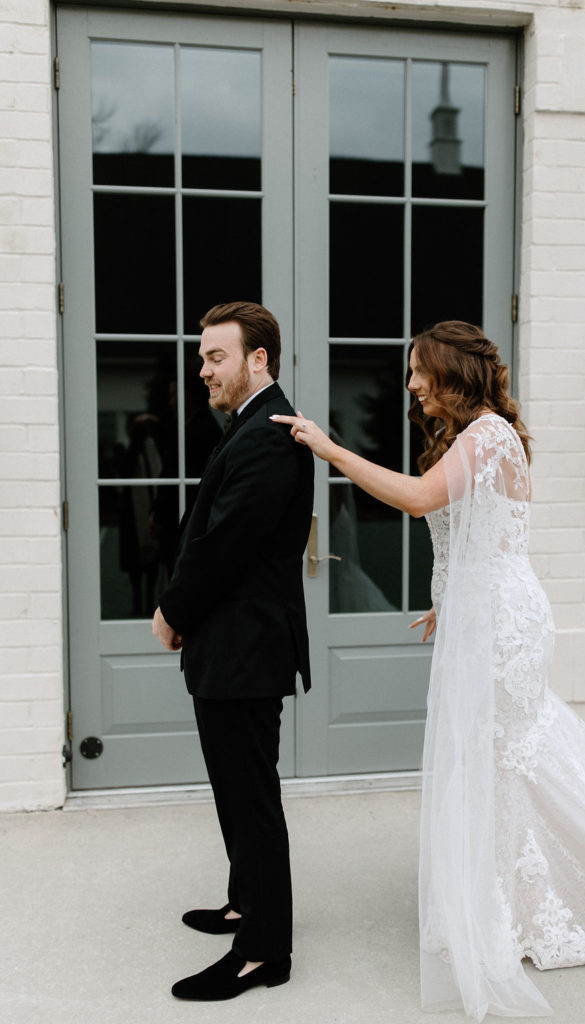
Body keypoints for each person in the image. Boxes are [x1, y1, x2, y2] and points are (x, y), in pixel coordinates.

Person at [272, 320, 585, 1021]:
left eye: (416, 372)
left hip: (502, 623)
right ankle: (515, 899)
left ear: (450, 372)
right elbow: (470, 531)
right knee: (502, 759)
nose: (408, 385)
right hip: (478, 613)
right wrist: (442, 601)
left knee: (514, 755)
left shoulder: (487, 433)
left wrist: (328, 447)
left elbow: (420, 500)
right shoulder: (472, 437)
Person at [152, 301, 314, 1002]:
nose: (203, 370)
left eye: (215, 356)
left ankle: (262, 952)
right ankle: (245, 903)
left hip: (245, 648)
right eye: (201, 358)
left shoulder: (269, 435)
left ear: (258, 359)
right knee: (235, 791)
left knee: (250, 798)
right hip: (232, 648)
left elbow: (225, 543)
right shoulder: (249, 426)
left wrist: (172, 610)